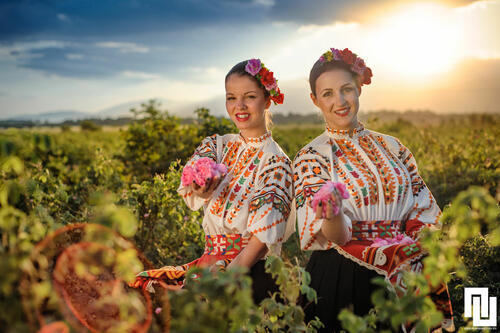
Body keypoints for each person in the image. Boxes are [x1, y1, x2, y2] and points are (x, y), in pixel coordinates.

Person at [293, 48, 454, 332]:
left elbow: (422, 206)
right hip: (346, 275)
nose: (340, 101)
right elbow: (337, 235)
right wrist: (331, 213)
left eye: (346, 89)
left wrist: (417, 252)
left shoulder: (394, 147)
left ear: (359, 90)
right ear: (315, 100)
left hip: (408, 265)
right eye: (327, 94)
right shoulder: (311, 157)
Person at [130, 59, 294, 304]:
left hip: (248, 271)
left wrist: (220, 284)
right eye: (231, 97)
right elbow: (195, 181)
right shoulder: (217, 145)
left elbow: (261, 242)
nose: (239, 106)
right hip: (210, 262)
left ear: (267, 100)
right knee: (142, 284)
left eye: (249, 96)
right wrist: (200, 186)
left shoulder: (276, 162)